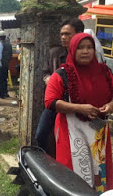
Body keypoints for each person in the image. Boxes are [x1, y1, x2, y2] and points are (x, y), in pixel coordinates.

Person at [45, 33, 113, 194]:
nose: (85, 51)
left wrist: (110, 106)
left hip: (98, 132)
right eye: (81, 48)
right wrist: (79, 108)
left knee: (99, 171)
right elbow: (50, 102)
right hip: (72, 131)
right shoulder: (62, 74)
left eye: (89, 47)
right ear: (72, 50)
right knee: (74, 170)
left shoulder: (104, 72)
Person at [36, 18, 85, 155]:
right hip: (56, 102)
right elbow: (45, 72)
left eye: (67, 34)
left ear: (79, 34)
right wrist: (49, 80)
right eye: (61, 34)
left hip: (78, 105)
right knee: (42, 135)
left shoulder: (85, 54)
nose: (63, 37)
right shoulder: (54, 53)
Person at [0, 30, 12, 98]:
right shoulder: (9, 44)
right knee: (4, 79)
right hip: (6, 64)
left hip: (0, 64)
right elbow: (10, 54)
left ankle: (1, 94)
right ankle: (5, 93)